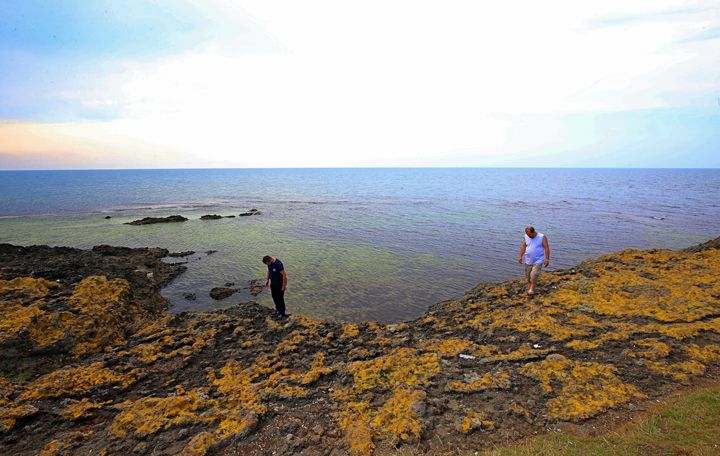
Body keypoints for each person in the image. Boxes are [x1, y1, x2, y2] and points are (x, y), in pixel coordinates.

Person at [517, 226, 550, 296]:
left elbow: (546, 248)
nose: (528, 236)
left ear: (533, 232)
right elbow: (523, 246)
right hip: (528, 260)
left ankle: (532, 289)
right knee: (528, 277)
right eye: (527, 234)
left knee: (534, 274)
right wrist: (520, 256)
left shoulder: (542, 237)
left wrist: (547, 259)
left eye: (529, 235)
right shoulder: (526, 236)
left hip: (538, 260)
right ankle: (530, 288)